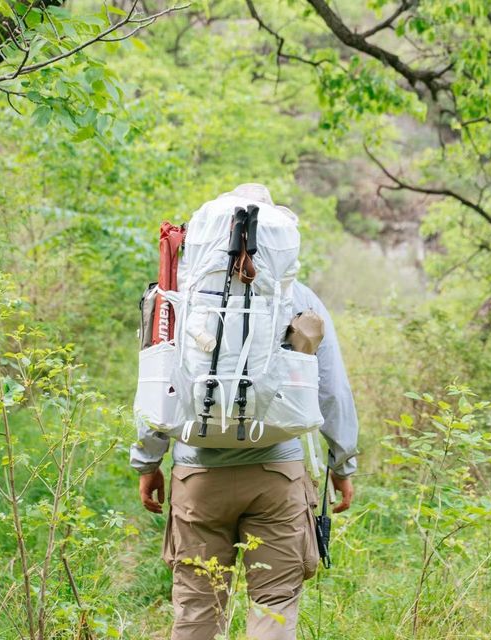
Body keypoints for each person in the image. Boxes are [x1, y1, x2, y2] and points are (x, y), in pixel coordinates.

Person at [130, 184, 359, 640]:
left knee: (196, 608)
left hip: (198, 477)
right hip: (278, 474)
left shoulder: (181, 296)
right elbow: (331, 389)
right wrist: (342, 463)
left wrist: (148, 462)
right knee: (273, 606)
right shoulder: (300, 299)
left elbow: (159, 383)